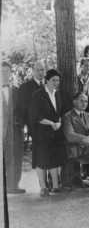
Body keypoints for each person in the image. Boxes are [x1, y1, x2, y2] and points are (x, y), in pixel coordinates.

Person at [29, 69, 68, 197]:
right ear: (46, 80)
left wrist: (59, 123)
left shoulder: (58, 94)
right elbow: (36, 115)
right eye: (53, 80)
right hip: (41, 132)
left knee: (55, 158)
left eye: (57, 80)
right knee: (42, 160)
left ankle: (56, 186)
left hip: (56, 132)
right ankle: (43, 188)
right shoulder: (38, 94)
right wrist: (51, 123)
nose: (56, 83)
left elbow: (61, 112)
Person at [2, 62, 25, 194]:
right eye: (2, 71)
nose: (4, 74)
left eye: (7, 71)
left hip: (15, 130)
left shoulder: (17, 90)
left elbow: (22, 110)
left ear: (11, 73)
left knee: (16, 157)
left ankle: (14, 185)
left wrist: (19, 123)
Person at [18, 61, 46, 158]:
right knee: (39, 156)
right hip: (34, 126)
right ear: (33, 71)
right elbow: (23, 108)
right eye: (37, 70)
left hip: (49, 125)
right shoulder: (25, 87)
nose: (40, 72)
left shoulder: (49, 84)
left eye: (42, 70)